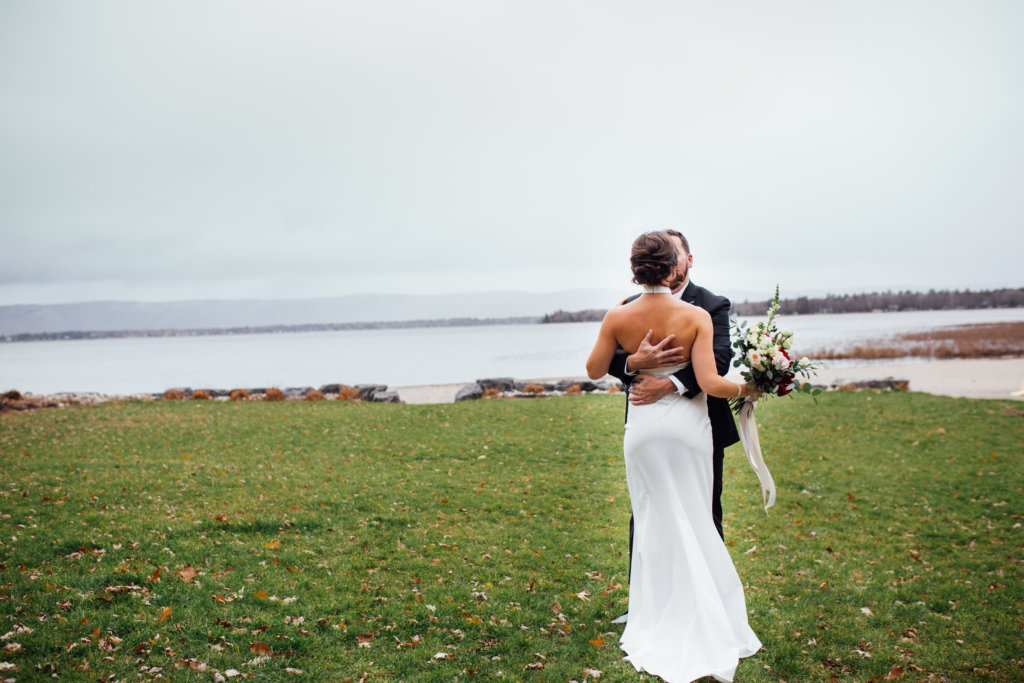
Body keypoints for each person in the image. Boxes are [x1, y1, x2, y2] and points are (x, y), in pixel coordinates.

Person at [586, 231, 761, 682]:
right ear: (673, 266)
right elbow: (715, 381)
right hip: (687, 431)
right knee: (694, 516)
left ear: (636, 268)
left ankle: (657, 613)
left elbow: (591, 369)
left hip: (642, 430)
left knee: (652, 516)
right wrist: (752, 387)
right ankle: (703, 613)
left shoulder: (618, 314)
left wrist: (640, 363)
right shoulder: (695, 315)